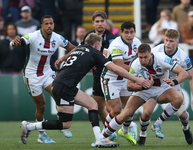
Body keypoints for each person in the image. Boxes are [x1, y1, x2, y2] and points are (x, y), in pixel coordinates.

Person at [20, 33, 151, 147]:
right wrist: (136, 79)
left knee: (92, 104)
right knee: (65, 124)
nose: (100, 49)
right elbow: (115, 68)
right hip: (65, 86)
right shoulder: (94, 52)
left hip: (60, 84)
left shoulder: (80, 48)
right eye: (100, 47)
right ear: (97, 44)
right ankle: (30, 126)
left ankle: (99, 138)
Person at [102, 43, 189, 146]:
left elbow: (184, 73)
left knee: (179, 98)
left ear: (151, 54)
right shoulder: (135, 64)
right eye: (140, 57)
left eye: (145, 57)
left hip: (162, 88)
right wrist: (144, 86)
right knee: (126, 114)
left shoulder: (162, 58)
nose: (143, 60)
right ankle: (102, 137)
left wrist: (174, 82)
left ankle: (158, 123)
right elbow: (129, 86)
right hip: (143, 91)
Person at [10, 15, 75, 143]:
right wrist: (14, 42)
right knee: (41, 106)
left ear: (54, 24)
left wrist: (64, 58)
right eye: (46, 24)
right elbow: (18, 42)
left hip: (47, 73)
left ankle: (61, 124)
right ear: (42, 25)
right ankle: (42, 135)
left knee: (60, 96)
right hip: (32, 76)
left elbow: (73, 48)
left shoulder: (57, 38)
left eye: (51, 23)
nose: (49, 26)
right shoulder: (33, 36)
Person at [137, 29, 193, 146]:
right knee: (146, 113)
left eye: (171, 41)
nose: (168, 43)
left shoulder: (183, 56)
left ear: (177, 42)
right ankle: (142, 136)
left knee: (183, 115)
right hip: (155, 84)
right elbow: (142, 64)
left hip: (172, 86)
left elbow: (191, 77)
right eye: (166, 40)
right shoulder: (155, 50)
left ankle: (185, 127)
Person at [81, 11, 117, 147]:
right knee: (98, 106)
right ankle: (108, 132)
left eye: (102, 21)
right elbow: (82, 50)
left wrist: (95, 60)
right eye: (97, 21)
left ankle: (126, 126)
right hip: (97, 75)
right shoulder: (89, 36)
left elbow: (109, 55)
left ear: (106, 23)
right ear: (93, 23)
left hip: (109, 75)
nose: (100, 23)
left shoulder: (111, 37)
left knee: (112, 108)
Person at [101, 21, 141, 145]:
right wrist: (138, 74)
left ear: (134, 32)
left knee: (130, 109)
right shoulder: (116, 45)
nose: (129, 35)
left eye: (131, 32)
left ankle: (124, 131)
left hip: (125, 79)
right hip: (111, 79)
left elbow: (141, 59)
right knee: (117, 110)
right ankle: (103, 135)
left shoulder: (137, 42)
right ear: (121, 32)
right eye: (126, 32)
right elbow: (119, 65)